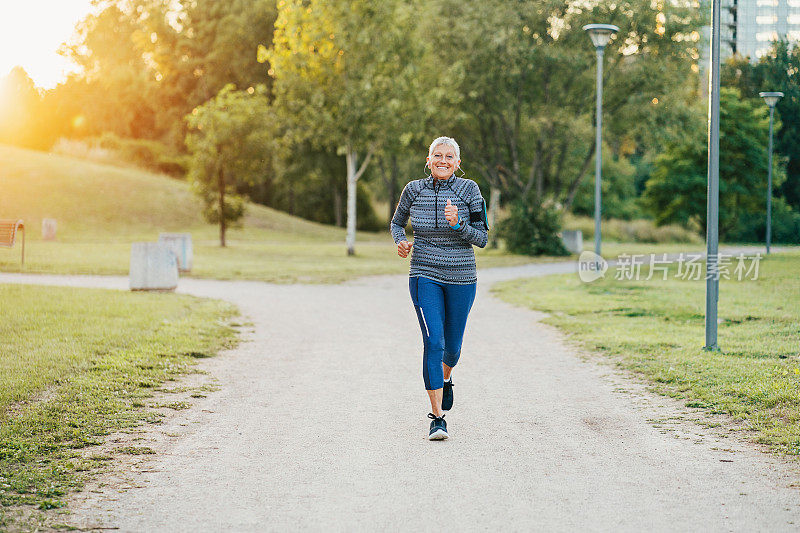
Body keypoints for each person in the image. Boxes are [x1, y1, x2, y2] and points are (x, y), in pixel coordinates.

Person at [390, 136, 489, 440]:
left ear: (458, 163)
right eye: (437, 155)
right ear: (428, 159)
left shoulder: (469, 189)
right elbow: (396, 223)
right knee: (433, 343)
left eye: (449, 157)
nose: (443, 161)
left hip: (462, 276)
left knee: (453, 349)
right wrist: (401, 241)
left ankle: (446, 378)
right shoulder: (413, 189)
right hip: (424, 272)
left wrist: (459, 223)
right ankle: (437, 418)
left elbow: (483, 238)